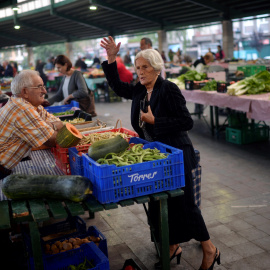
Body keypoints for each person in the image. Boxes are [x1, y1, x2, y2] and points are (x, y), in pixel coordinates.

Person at [100, 36, 220, 270]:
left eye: (145, 67)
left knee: (185, 204)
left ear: (156, 68)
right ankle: (173, 245)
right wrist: (112, 59)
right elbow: (117, 86)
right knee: (157, 203)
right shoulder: (140, 90)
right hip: (157, 155)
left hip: (177, 153)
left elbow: (186, 122)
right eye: (138, 68)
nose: (141, 72)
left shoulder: (169, 89)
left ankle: (209, 249)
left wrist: (157, 121)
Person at [0, 70, 64, 179]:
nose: (44, 91)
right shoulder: (23, 109)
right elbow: (51, 140)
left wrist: (47, 125)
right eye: (39, 87)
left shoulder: (31, 105)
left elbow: (58, 122)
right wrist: (53, 126)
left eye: (43, 86)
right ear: (25, 92)